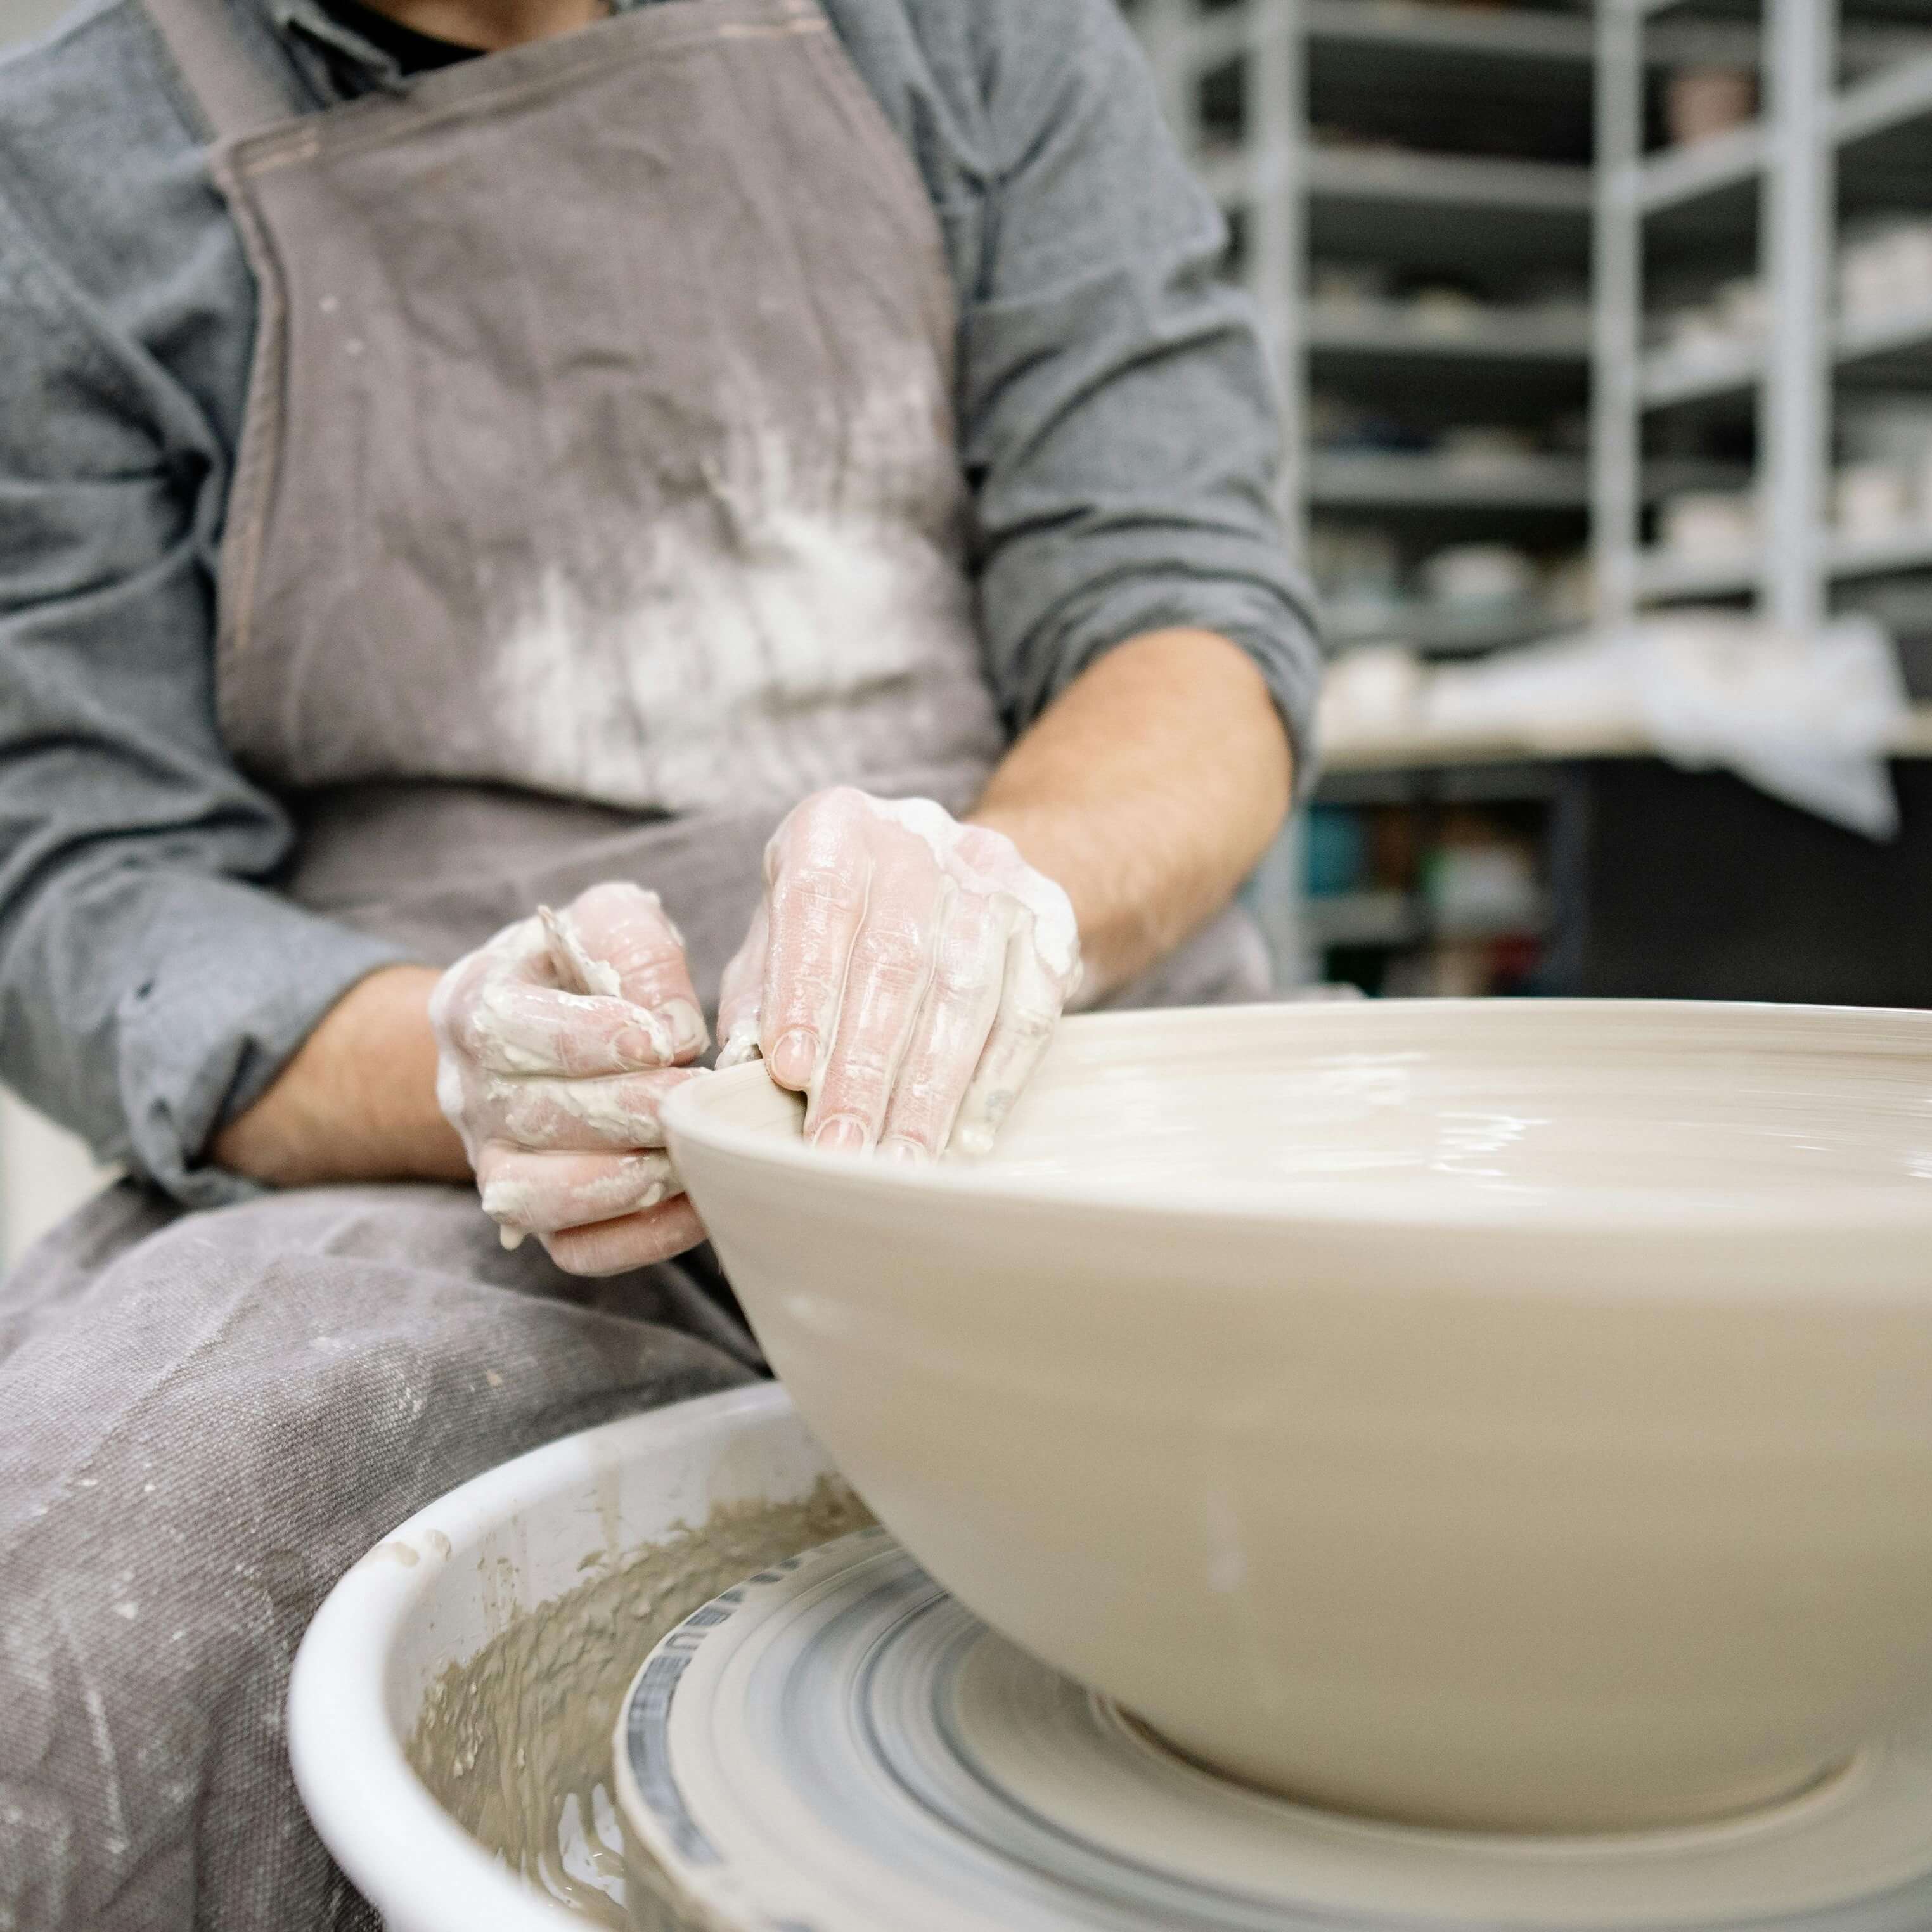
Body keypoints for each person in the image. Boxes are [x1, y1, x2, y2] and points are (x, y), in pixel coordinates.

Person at [0, 0, 1318, 1919]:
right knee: (97, 1618)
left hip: (1034, 1003)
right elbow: (80, 879)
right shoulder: (66, 161)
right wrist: (462, 1058)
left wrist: (1007, 898)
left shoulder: (982, 37)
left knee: (1511, 1449)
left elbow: (1184, 624)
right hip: (446, 1118)